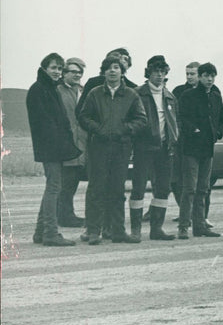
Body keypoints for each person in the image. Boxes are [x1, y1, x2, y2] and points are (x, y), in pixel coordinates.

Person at [78, 54, 147, 244]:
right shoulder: (95, 93)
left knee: (117, 190)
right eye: (108, 68)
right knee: (96, 189)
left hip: (121, 148)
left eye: (116, 67)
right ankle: (94, 232)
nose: (112, 71)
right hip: (98, 147)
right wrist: (98, 129)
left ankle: (118, 231)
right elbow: (83, 117)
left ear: (122, 72)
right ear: (104, 72)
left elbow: (141, 119)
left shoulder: (131, 95)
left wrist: (125, 130)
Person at [27, 53, 82, 246]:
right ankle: (50, 233)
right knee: (54, 188)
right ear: (44, 68)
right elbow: (44, 124)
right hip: (50, 148)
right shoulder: (38, 89)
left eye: (60, 68)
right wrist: (60, 144)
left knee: (53, 187)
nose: (57, 71)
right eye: (53, 68)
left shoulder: (50, 88)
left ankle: (40, 232)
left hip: (54, 147)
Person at [130, 56, 179, 241]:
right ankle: (135, 230)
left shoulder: (170, 96)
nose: (159, 75)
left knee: (163, 189)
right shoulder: (137, 94)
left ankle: (156, 228)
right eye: (155, 71)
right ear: (148, 73)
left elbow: (175, 121)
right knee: (138, 188)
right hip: (144, 148)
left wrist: (175, 138)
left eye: (162, 72)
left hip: (165, 148)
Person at [177, 62, 223, 239]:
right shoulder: (188, 96)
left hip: (207, 149)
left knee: (203, 189)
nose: (209, 79)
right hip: (191, 149)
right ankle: (183, 227)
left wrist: (217, 133)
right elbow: (181, 118)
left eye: (212, 76)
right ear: (199, 77)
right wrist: (194, 130)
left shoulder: (216, 97)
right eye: (206, 75)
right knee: (189, 188)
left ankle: (199, 227)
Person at [170, 62, 209, 227]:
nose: (189, 77)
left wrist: (214, 133)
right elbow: (175, 115)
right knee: (178, 180)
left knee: (203, 183)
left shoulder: (210, 92)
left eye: (192, 74)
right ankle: (186, 213)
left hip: (203, 143)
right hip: (182, 142)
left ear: (200, 75)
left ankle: (202, 217)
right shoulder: (179, 92)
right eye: (187, 74)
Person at [56, 57, 89, 228]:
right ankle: (64, 216)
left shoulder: (83, 91)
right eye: (73, 71)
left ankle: (67, 214)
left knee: (73, 181)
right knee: (65, 184)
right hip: (65, 144)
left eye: (80, 72)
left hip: (82, 144)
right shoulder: (57, 91)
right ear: (64, 73)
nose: (77, 75)